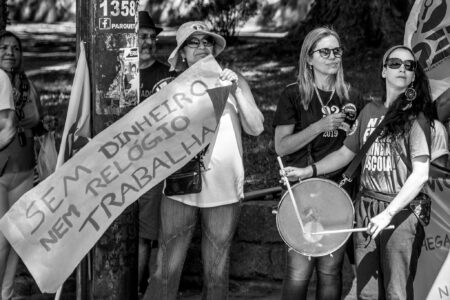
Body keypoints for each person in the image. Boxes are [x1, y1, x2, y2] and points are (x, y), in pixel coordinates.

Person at [282, 45, 439, 299]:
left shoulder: (417, 118)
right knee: (366, 294)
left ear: (413, 77)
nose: (402, 68)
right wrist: (307, 171)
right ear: (383, 71)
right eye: (395, 63)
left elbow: (420, 174)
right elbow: (345, 154)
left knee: (396, 294)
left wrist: (388, 214)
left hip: (399, 213)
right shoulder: (368, 112)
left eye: (409, 66)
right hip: (365, 211)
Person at [143, 21, 264, 300]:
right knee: (166, 269)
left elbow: (256, 128)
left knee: (217, 272)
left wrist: (236, 91)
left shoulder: (234, 79)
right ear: (182, 52)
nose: (201, 48)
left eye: (206, 42)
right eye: (193, 43)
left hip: (223, 191)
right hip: (179, 188)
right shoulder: (170, 87)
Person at [273, 27, 364, 300]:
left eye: (337, 51)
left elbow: (355, 148)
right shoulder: (293, 95)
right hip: (301, 191)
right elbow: (281, 146)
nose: (333, 56)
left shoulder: (352, 96)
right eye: (325, 51)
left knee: (330, 270)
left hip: (339, 191)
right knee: (299, 272)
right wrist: (319, 126)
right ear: (309, 58)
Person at [0, 30, 43, 300]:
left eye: (15, 48)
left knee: (16, 237)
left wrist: (43, 125)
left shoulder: (28, 87)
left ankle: (7, 292)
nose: (10, 53)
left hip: (24, 169)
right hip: (1, 169)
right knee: (2, 239)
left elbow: (36, 124)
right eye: (3, 47)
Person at [136, 11, 173, 294]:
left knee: (148, 234)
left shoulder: (166, 76)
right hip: (117, 166)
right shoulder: (118, 75)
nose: (149, 42)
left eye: (152, 37)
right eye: (143, 36)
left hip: (154, 165)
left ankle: (143, 290)